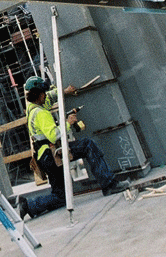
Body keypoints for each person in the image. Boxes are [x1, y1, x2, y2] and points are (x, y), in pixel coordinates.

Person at [16, 76, 131, 220]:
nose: (46, 95)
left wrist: (64, 91)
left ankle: (28, 206)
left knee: (61, 196)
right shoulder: (41, 113)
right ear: (39, 95)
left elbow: (50, 97)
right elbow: (53, 136)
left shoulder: (33, 108)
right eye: (44, 93)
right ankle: (109, 184)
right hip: (52, 155)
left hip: (44, 158)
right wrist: (68, 122)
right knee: (88, 145)